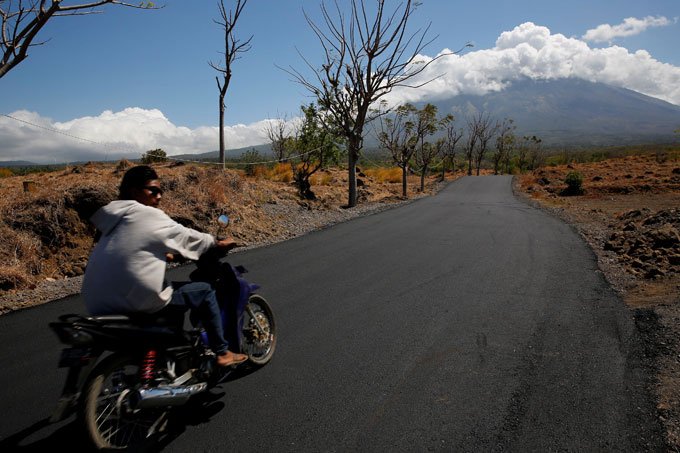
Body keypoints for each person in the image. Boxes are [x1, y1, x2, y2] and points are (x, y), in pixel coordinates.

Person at [81, 165, 247, 367]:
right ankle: (222, 352)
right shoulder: (147, 214)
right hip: (134, 298)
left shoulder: (114, 219)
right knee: (205, 291)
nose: (159, 196)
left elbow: (134, 247)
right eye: (153, 190)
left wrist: (167, 255)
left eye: (161, 191)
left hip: (97, 302)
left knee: (172, 292)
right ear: (134, 191)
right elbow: (185, 236)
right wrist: (215, 242)